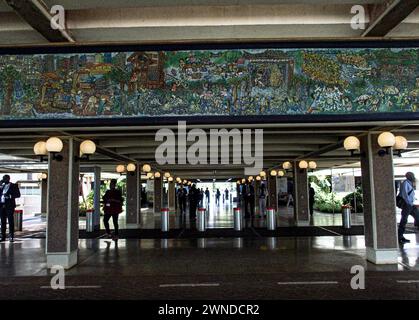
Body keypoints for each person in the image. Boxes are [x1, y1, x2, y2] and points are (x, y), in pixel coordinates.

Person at [398, 172, 419, 244]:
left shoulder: (410, 183)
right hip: (407, 205)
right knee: (404, 220)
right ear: (408, 176)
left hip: (411, 205)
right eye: (412, 175)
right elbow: (404, 194)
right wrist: (408, 203)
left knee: (418, 217)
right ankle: (400, 237)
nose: (413, 176)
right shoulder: (405, 183)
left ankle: (400, 236)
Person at [0, 175, 20, 242]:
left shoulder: (14, 185)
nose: (3, 180)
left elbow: (18, 195)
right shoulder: (2, 186)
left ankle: (11, 236)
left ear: (8, 179)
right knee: (3, 222)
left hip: (9, 206)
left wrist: (10, 196)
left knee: (10, 221)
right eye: (3, 179)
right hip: (2, 206)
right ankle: (3, 236)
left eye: (4, 179)